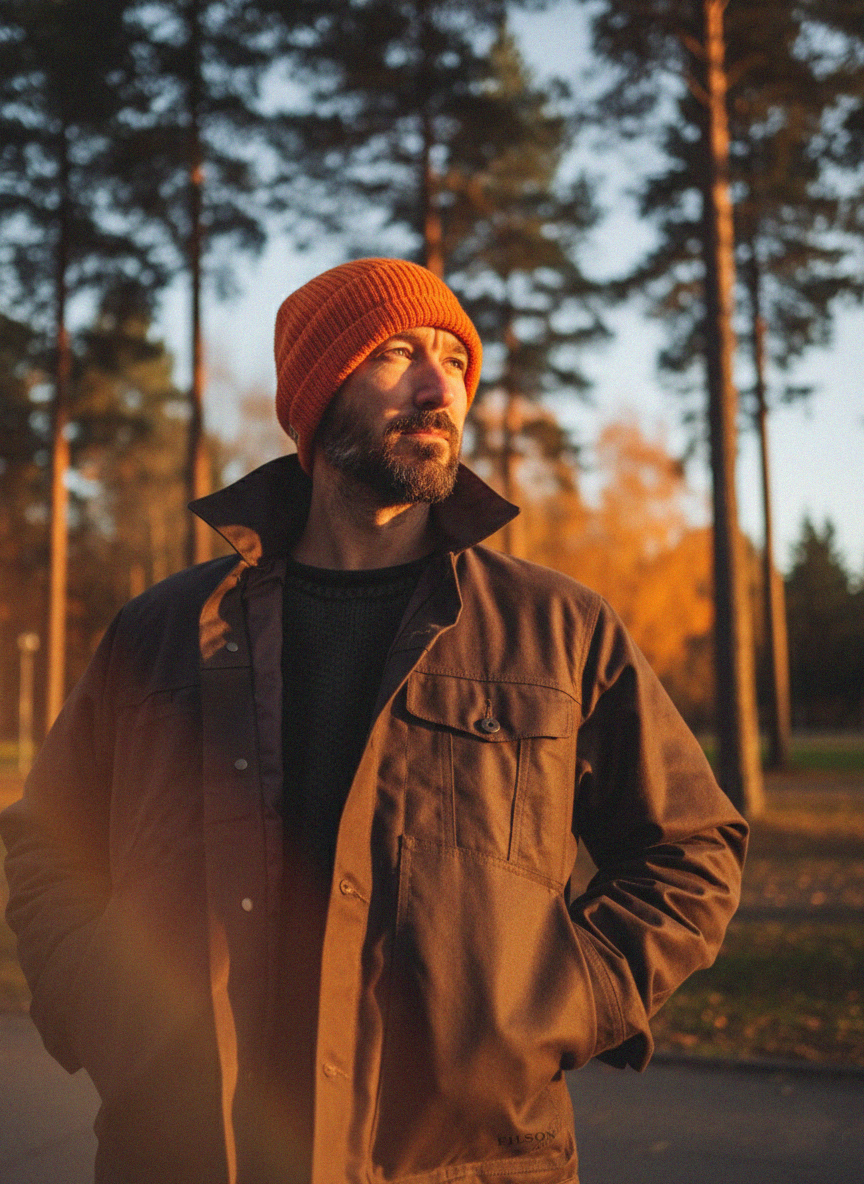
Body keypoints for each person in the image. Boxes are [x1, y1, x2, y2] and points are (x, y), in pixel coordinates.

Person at [1, 257, 747, 1184]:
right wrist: (91, 1000)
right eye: (398, 353)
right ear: (316, 396)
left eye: (457, 362)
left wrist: (569, 998)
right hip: (182, 1154)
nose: (442, 387)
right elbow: (46, 844)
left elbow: (692, 847)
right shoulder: (159, 633)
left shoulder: (558, 631)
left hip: (463, 1164)